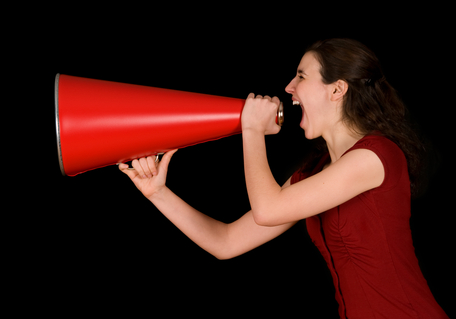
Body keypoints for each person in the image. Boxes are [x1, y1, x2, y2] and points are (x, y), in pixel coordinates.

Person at [119, 38, 448, 319]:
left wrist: (251, 129)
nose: (289, 87)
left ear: (337, 90)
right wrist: (158, 193)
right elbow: (226, 242)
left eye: (301, 76)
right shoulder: (315, 171)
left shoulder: (376, 156)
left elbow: (267, 209)